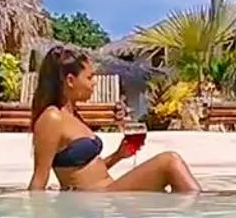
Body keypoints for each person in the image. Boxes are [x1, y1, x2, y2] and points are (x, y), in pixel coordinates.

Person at [28, 47, 200, 193]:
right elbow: (39, 180)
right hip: (99, 199)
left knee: (167, 193)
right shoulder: (52, 118)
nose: (94, 83)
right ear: (71, 81)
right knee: (170, 162)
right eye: (89, 77)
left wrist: (118, 155)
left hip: (108, 192)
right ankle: (203, 215)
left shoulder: (74, 116)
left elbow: (88, 169)